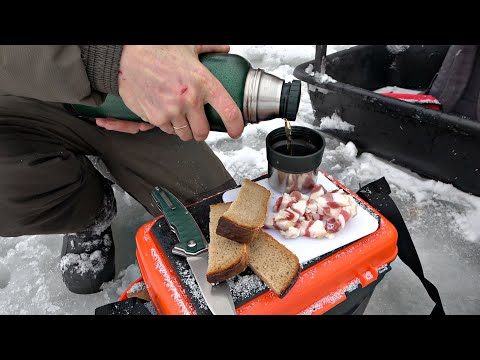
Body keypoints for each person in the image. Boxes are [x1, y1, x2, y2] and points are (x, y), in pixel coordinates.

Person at [0, 45, 244, 294]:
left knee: (222, 228)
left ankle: (113, 152)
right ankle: (89, 211)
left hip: (132, 82)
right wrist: (106, 59)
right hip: (15, 97)